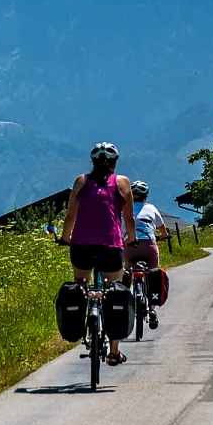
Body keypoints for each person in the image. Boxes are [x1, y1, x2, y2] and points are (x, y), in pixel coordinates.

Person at [59, 142, 138, 366]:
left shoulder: (80, 181)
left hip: (81, 247)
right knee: (115, 291)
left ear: (92, 162)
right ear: (115, 162)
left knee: (80, 283)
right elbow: (129, 219)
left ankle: (83, 319)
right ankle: (114, 352)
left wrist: (66, 239)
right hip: (111, 247)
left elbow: (70, 217)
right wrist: (130, 238)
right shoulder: (122, 183)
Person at [123, 180, 168, 269]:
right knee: (154, 270)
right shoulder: (151, 208)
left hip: (129, 245)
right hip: (148, 246)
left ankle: (125, 281)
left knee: (127, 268)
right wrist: (163, 235)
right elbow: (163, 229)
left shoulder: (123, 208)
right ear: (145, 198)